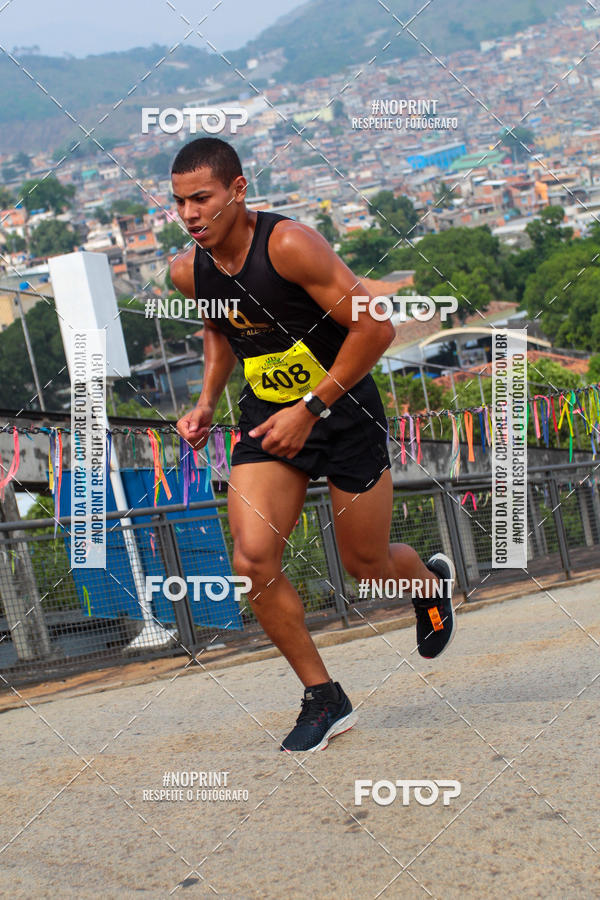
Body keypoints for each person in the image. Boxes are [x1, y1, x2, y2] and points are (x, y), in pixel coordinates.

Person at [172, 137, 456, 752]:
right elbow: (221, 337)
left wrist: (312, 407)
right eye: (179, 203)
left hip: (344, 412)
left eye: (202, 198)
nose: (191, 214)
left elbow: (375, 327)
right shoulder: (186, 271)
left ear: (238, 190)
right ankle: (323, 697)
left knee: (366, 565)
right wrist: (203, 403)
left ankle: (428, 585)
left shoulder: (290, 245)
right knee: (251, 560)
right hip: (268, 424)